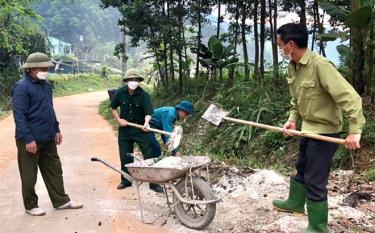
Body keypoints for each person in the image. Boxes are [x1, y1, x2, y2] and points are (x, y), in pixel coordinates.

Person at [272, 23, 366, 233]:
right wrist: (292, 119)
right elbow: (296, 99)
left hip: (325, 133)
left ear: (290, 45)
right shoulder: (293, 66)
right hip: (307, 128)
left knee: (315, 179)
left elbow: (350, 98)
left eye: (280, 45)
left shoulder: (320, 66)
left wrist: (354, 130)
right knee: (302, 167)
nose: (280, 50)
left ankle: (317, 227)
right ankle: (295, 203)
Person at [12, 52, 83, 216]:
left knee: (54, 170)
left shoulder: (46, 85)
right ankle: (31, 205)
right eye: (43, 67)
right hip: (29, 139)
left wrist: (56, 129)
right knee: (29, 175)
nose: (46, 70)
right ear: (32, 69)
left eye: (47, 67)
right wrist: (28, 139)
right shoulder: (21, 87)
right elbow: (19, 116)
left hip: (48, 136)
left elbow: (49, 110)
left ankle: (61, 201)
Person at [110, 69, 163, 193]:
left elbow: (148, 112)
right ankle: (126, 180)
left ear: (139, 81)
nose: (133, 82)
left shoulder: (144, 95)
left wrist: (146, 123)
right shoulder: (120, 93)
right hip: (125, 129)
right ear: (127, 81)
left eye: (136, 80)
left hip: (140, 129)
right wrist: (119, 119)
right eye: (131, 79)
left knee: (149, 155)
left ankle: (153, 183)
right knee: (125, 155)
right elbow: (113, 107)